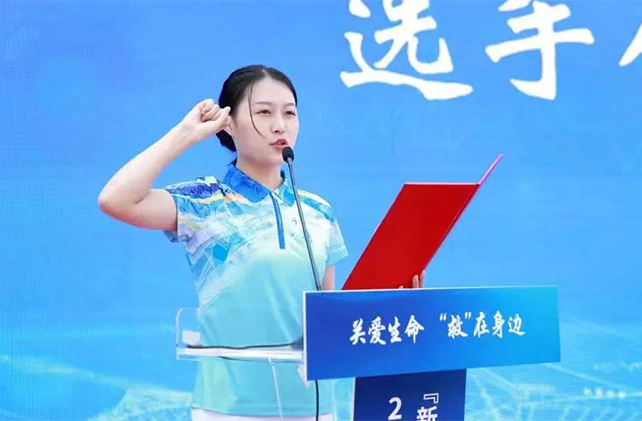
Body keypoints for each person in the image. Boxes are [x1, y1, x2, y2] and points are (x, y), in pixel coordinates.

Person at [98, 64, 424, 420]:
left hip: (314, 407)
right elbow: (116, 200)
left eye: (289, 113)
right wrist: (185, 134)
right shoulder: (204, 203)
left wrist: (393, 298)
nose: (279, 125)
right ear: (228, 123)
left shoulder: (318, 212)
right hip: (230, 408)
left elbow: (328, 315)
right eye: (264, 112)